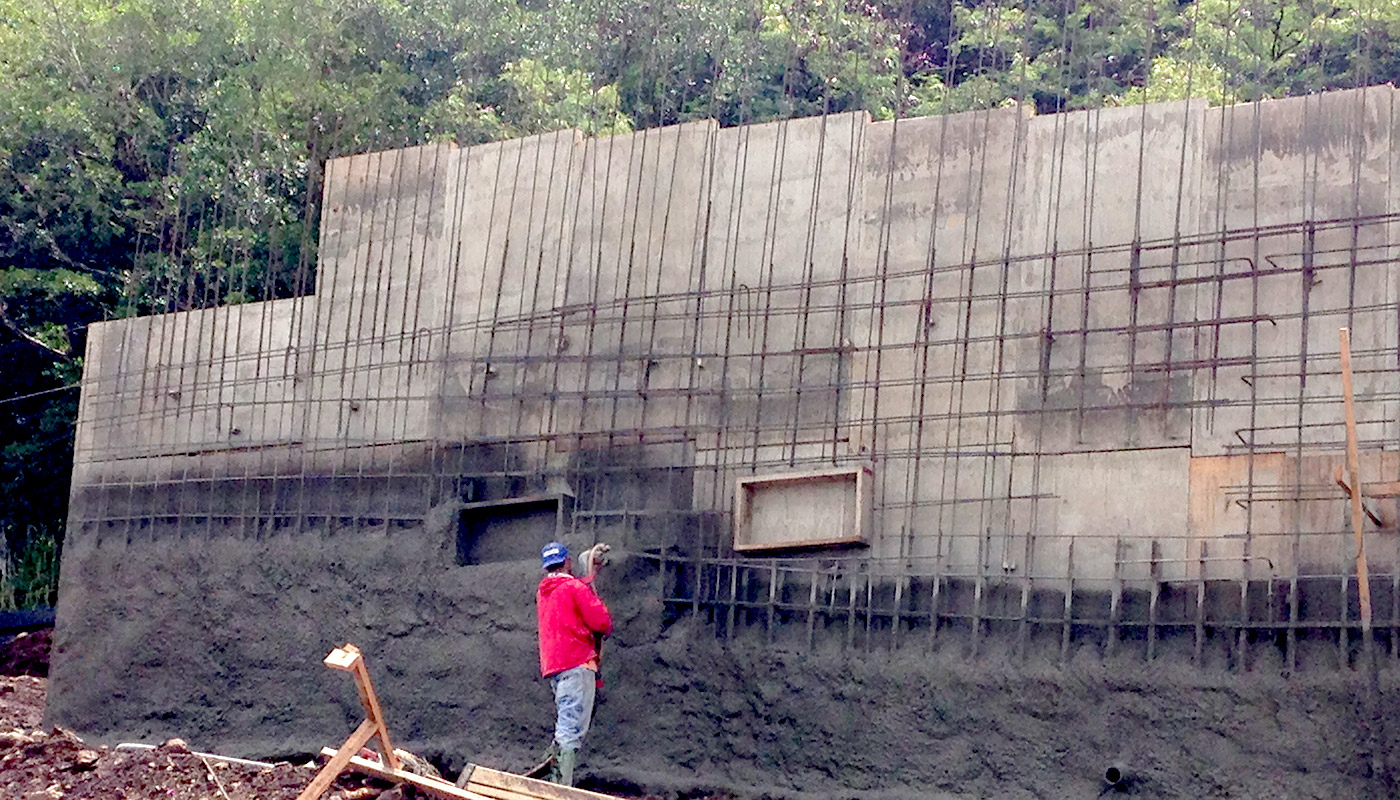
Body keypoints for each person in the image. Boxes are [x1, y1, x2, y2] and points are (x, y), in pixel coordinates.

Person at [536, 541, 612, 786]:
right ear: (567, 562)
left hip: (554, 667)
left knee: (565, 721)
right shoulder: (574, 588)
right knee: (571, 728)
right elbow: (602, 623)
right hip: (577, 663)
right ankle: (559, 787)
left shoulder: (543, 591)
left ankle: (549, 777)